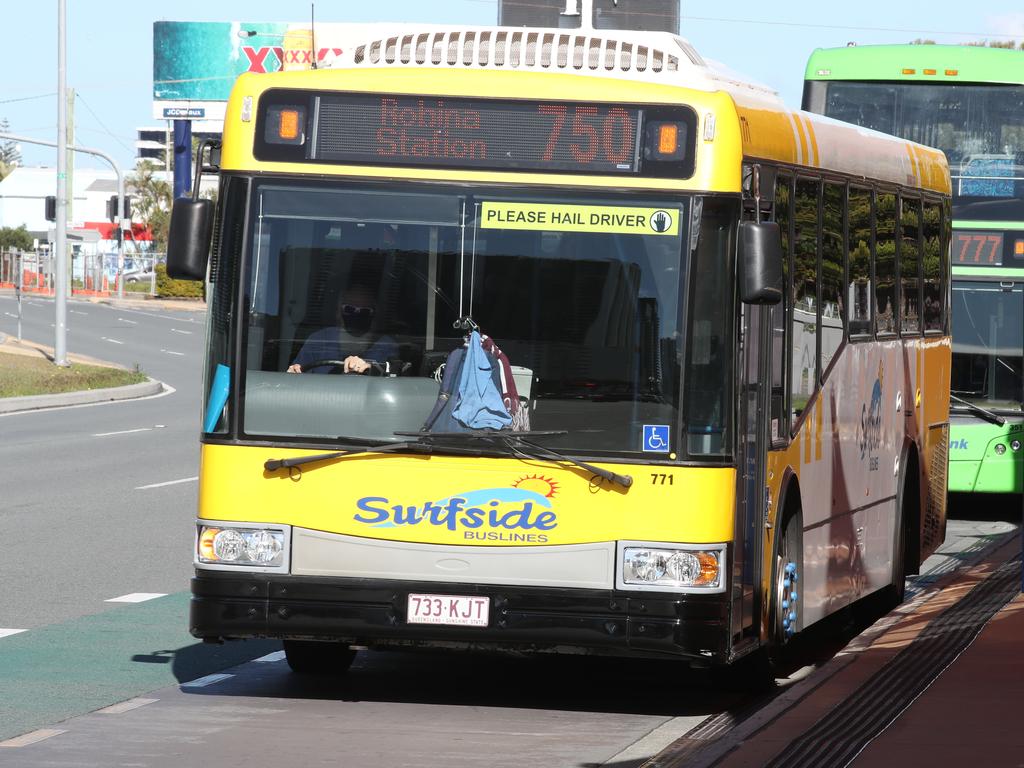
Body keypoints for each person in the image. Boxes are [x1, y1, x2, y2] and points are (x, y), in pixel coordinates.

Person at [287, 285, 397, 374]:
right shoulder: (319, 340)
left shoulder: (386, 346)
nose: (356, 315)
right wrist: (294, 374)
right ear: (338, 312)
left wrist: (369, 368)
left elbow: (393, 381)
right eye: (349, 309)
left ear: (374, 315)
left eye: (365, 311)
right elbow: (295, 378)